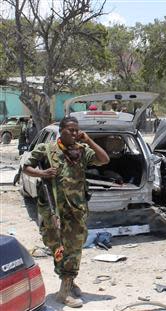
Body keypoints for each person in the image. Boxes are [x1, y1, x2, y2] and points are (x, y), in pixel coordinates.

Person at [23, 116, 109, 308]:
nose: (74, 133)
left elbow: (104, 159)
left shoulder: (82, 150)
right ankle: (66, 282)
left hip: (76, 210)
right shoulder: (46, 149)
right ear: (61, 130)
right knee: (57, 247)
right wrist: (42, 173)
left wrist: (88, 140)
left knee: (75, 247)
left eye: (76, 130)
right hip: (53, 211)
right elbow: (25, 167)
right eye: (70, 129)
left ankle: (66, 287)